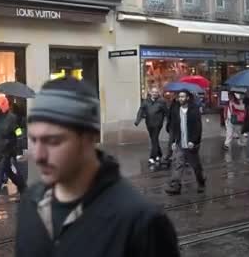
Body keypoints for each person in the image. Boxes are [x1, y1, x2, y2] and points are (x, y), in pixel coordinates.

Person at [16, 77, 180, 257]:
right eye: (33, 139)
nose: (38, 155)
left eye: (53, 141)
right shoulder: (30, 203)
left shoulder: (141, 222)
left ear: (89, 137)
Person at [0, 96, 27, 210]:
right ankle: (24, 189)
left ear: (3, 104)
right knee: (9, 172)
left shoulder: (12, 118)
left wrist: (19, 150)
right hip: (0, 150)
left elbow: (18, 133)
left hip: (8, 151)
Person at [165, 90, 206, 195]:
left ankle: (201, 183)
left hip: (190, 144)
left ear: (187, 98)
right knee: (178, 164)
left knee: (196, 166)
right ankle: (176, 186)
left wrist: (193, 141)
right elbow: (174, 127)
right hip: (180, 142)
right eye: (179, 97)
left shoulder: (194, 110)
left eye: (183, 97)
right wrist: (174, 141)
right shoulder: (176, 110)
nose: (181, 99)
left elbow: (198, 127)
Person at [135, 87, 168, 165]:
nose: (155, 93)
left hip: (157, 124)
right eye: (153, 92)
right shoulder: (146, 102)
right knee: (154, 140)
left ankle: (152, 157)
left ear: (158, 93)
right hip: (149, 124)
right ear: (150, 93)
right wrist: (137, 120)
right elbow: (141, 110)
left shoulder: (161, 102)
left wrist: (169, 122)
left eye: (156, 92)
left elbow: (166, 112)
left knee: (154, 139)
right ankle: (159, 154)